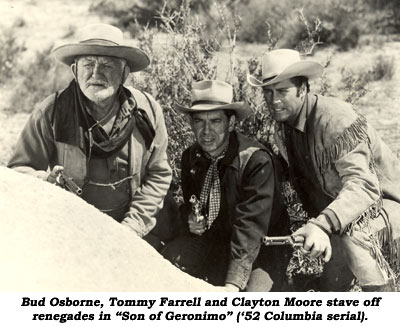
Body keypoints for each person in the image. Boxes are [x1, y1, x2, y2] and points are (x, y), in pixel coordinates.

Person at [247, 48, 400, 291]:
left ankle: (385, 303)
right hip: (342, 217)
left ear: (303, 89)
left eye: (283, 91)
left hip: (385, 207)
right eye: (268, 92)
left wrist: (320, 225)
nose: (274, 100)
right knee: (330, 289)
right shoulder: (283, 127)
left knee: (357, 236)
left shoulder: (335, 120)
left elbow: (364, 187)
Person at [7, 24, 173, 241]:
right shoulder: (50, 112)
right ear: (75, 71)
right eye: (88, 64)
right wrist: (46, 180)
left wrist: (132, 228)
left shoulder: (147, 110)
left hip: (134, 231)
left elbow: (159, 174)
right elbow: (18, 172)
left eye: (107, 65)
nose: (96, 74)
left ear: (124, 73)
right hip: (71, 232)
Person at [161, 80, 291, 292]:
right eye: (199, 121)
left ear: (231, 124)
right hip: (215, 242)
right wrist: (191, 220)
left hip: (261, 249)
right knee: (165, 270)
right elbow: (192, 204)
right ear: (191, 124)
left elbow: (250, 230)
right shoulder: (190, 157)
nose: (206, 131)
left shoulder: (255, 161)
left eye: (215, 121)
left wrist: (232, 285)